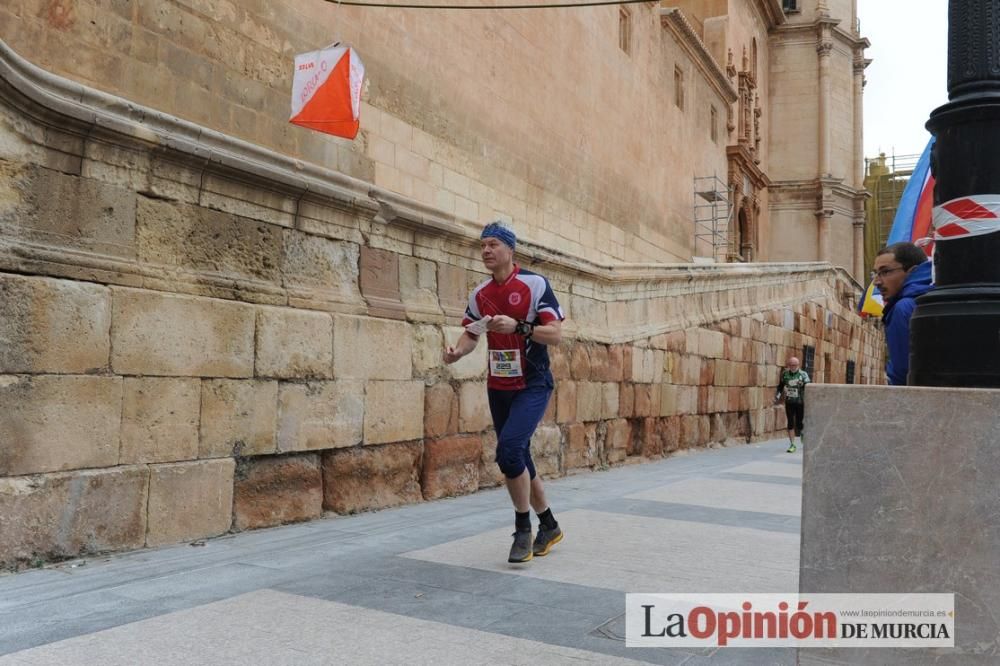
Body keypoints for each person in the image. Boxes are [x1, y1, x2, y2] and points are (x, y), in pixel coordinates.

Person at [442, 221, 565, 563]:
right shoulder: (480, 294)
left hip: (533, 382)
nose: (486, 251)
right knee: (520, 456)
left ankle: (523, 528)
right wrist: (457, 352)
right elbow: (471, 334)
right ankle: (550, 525)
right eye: (483, 245)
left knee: (509, 452)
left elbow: (555, 334)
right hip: (499, 386)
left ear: (510, 250)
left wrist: (521, 327)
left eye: (493, 244)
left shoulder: (534, 284)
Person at [872, 242, 933, 385]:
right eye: (875, 273)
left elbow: (903, 371)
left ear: (912, 271)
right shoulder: (936, 297)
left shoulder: (903, 308)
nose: (876, 282)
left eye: (885, 272)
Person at [775, 356, 809, 453]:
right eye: (791, 365)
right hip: (789, 402)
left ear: (798, 365)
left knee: (799, 423)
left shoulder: (803, 374)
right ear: (788, 365)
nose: (793, 367)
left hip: (800, 402)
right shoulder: (785, 374)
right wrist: (777, 397)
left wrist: (802, 383)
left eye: (795, 365)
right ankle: (792, 444)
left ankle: (802, 432)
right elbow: (780, 386)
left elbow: (808, 384)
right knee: (790, 423)